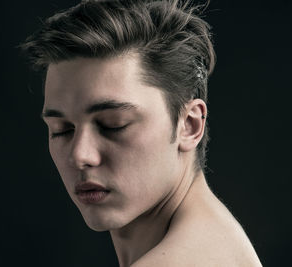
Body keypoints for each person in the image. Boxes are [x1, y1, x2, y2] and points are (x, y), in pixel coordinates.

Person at [20, 0, 262, 266]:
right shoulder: (214, 240)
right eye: (62, 130)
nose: (80, 156)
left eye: (114, 124)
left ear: (190, 125)